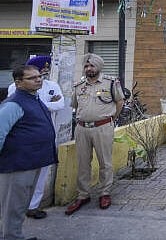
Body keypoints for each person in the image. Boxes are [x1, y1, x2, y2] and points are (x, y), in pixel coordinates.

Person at [0, 65, 58, 240]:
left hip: (33, 161)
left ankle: (13, 234)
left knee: (22, 203)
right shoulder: (13, 103)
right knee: (13, 205)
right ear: (18, 83)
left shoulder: (34, 98)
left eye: (39, 76)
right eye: (32, 78)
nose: (38, 79)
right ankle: (11, 237)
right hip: (17, 164)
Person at [66, 53, 124, 215]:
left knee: (105, 162)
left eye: (92, 65)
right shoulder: (78, 86)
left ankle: (104, 193)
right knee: (83, 163)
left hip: (103, 127)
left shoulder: (111, 83)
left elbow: (120, 101)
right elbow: (75, 105)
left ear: (99, 67)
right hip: (82, 128)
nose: (89, 68)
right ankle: (83, 195)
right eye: (86, 66)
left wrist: (112, 118)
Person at [7, 56, 64, 220]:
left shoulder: (52, 85)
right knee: (21, 179)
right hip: (23, 143)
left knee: (41, 176)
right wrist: (47, 104)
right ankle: (16, 211)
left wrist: (42, 104)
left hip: (45, 141)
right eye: (39, 71)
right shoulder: (14, 89)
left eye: (43, 71)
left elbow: (60, 104)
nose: (42, 73)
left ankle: (33, 207)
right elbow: (19, 108)